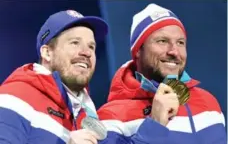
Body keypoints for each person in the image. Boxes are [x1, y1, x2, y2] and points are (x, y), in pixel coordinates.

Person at [0, 9, 165, 144]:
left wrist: (156, 123)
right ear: (47, 52)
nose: (86, 52)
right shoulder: (14, 97)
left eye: (91, 46)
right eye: (74, 43)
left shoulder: (87, 113)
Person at [96, 3, 227, 144]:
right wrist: (155, 124)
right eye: (162, 41)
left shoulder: (209, 103)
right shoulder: (111, 116)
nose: (174, 51)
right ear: (138, 51)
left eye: (180, 43)